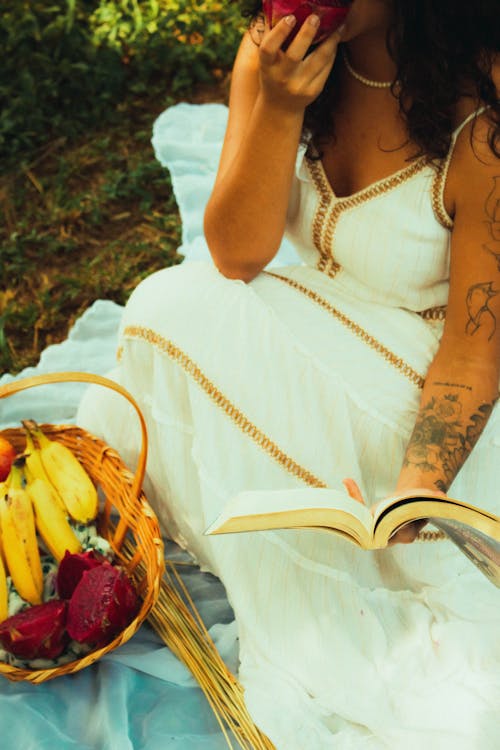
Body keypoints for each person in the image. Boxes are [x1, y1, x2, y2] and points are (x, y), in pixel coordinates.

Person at [77, 1, 500, 747]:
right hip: (310, 338)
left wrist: (419, 486)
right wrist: (278, 104)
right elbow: (238, 256)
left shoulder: (486, 115)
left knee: (171, 308)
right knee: (165, 314)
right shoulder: (274, 55)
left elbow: (472, 353)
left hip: (424, 406)